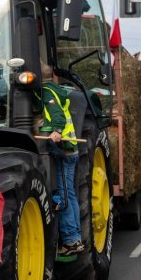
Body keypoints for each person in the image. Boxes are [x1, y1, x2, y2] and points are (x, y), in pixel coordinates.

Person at [38, 63, 83, 256]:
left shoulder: (47, 91)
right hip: (71, 149)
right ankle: (76, 237)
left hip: (64, 150)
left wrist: (55, 130)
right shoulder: (57, 89)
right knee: (70, 194)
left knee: (64, 195)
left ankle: (71, 240)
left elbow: (57, 115)